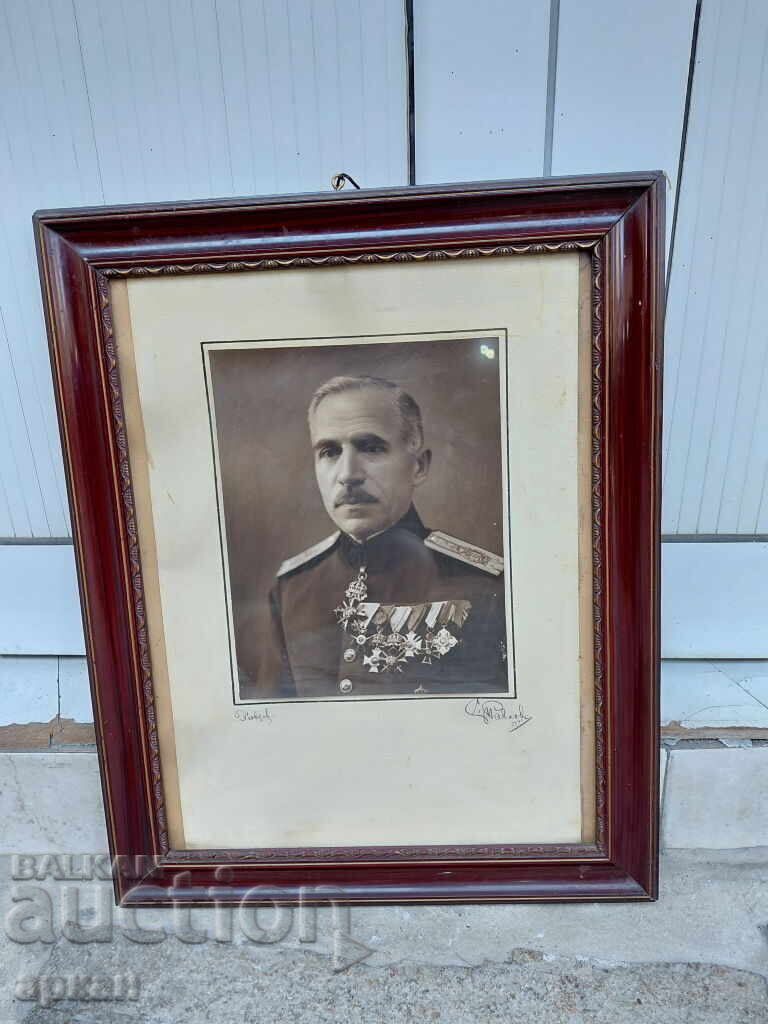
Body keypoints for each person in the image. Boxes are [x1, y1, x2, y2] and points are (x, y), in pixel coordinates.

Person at [238, 375, 508, 699]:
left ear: (418, 467)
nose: (348, 474)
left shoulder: (489, 587)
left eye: (371, 447)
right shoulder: (292, 587)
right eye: (329, 452)